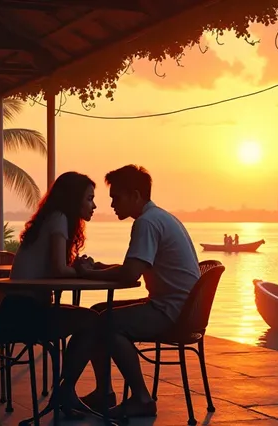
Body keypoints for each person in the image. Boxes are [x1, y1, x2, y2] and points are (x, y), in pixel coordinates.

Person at [55, 165, 200, 419]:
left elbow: (130, 275)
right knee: (97, 313)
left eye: (116, 198)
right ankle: (104, 392)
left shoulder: (147, 223)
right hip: (183, 308)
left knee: (107, 323)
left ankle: (142, 398)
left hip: (172, 311)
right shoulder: (159, 217)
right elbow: (132, 266)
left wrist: (88, 273)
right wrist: (99, 268)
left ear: (135, 195)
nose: (111, 204)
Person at [0, 171, 102, 417]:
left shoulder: (53, 218)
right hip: (22, 313)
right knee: (93, 320)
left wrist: (77, 268)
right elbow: (58, 269)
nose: (94, 205)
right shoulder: (59, 218)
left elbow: (57, 270)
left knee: (91, 319)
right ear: (74, 199)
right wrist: (84, 272)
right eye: (89, 198)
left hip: (17, 309)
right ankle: (67, 393)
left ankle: (70, 392)